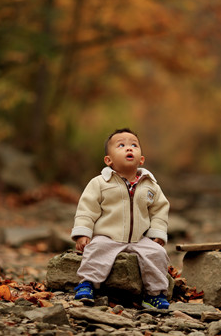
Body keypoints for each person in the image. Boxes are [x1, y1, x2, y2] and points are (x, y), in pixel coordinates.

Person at [71, 128, 171, 309]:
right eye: (121, 145)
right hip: (108, 236)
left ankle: (154, 294)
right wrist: (82, 233)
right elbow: (87, 208)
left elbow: (159, 209)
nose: (129, 148)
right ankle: (87, 284)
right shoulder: (100, 183)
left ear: (141, 159)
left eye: (134, 145)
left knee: (157, 254)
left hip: (140, 239)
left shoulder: (150, 185)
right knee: (95, 248)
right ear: (108, 160)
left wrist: (157, 233)